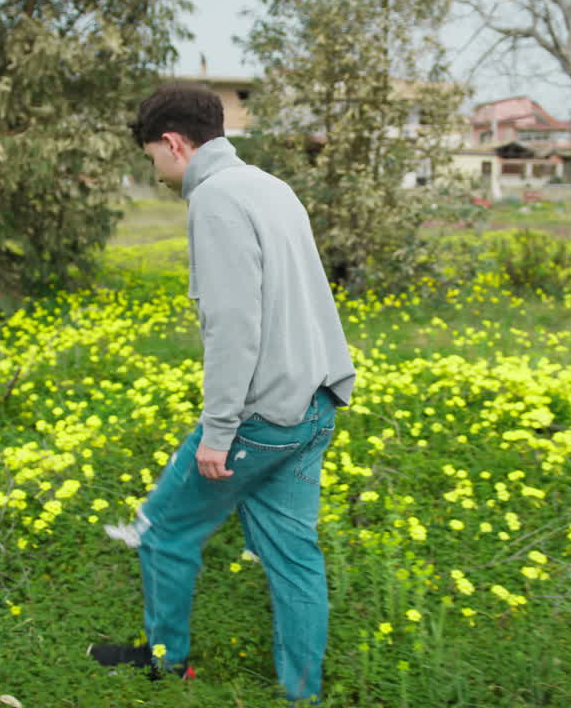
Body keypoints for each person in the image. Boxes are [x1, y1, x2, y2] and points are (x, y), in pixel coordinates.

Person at [88, 82, 356, 704]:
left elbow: (234, 326)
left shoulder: (214, 200)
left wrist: (219, 430)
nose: (153, 168)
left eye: (152, 154)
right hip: (315, 403)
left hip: (260, 417)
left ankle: (166, 662)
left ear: (175, 143)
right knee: (294, 557)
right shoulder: (271, 186)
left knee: (163, 529)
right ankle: (302, 692)